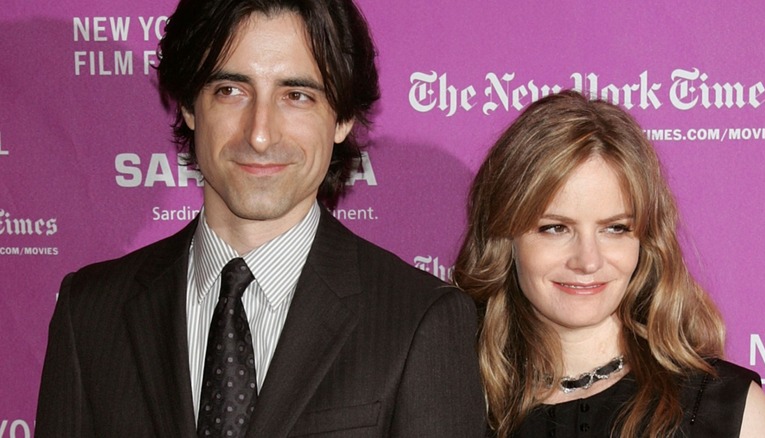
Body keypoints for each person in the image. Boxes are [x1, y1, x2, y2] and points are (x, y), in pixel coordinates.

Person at [35, 0, 486, 436]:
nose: (260, 133)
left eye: (297, 95)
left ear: (343, 118)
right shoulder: (89, 311)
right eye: (231, 91)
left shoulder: (419, 320)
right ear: (190, 106)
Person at [453, 90, 765, 437]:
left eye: (615, 228)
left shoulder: (727, 410)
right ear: (505, 237)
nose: (588, 261)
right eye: (555, 228)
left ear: (645, 240)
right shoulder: (449, 398)